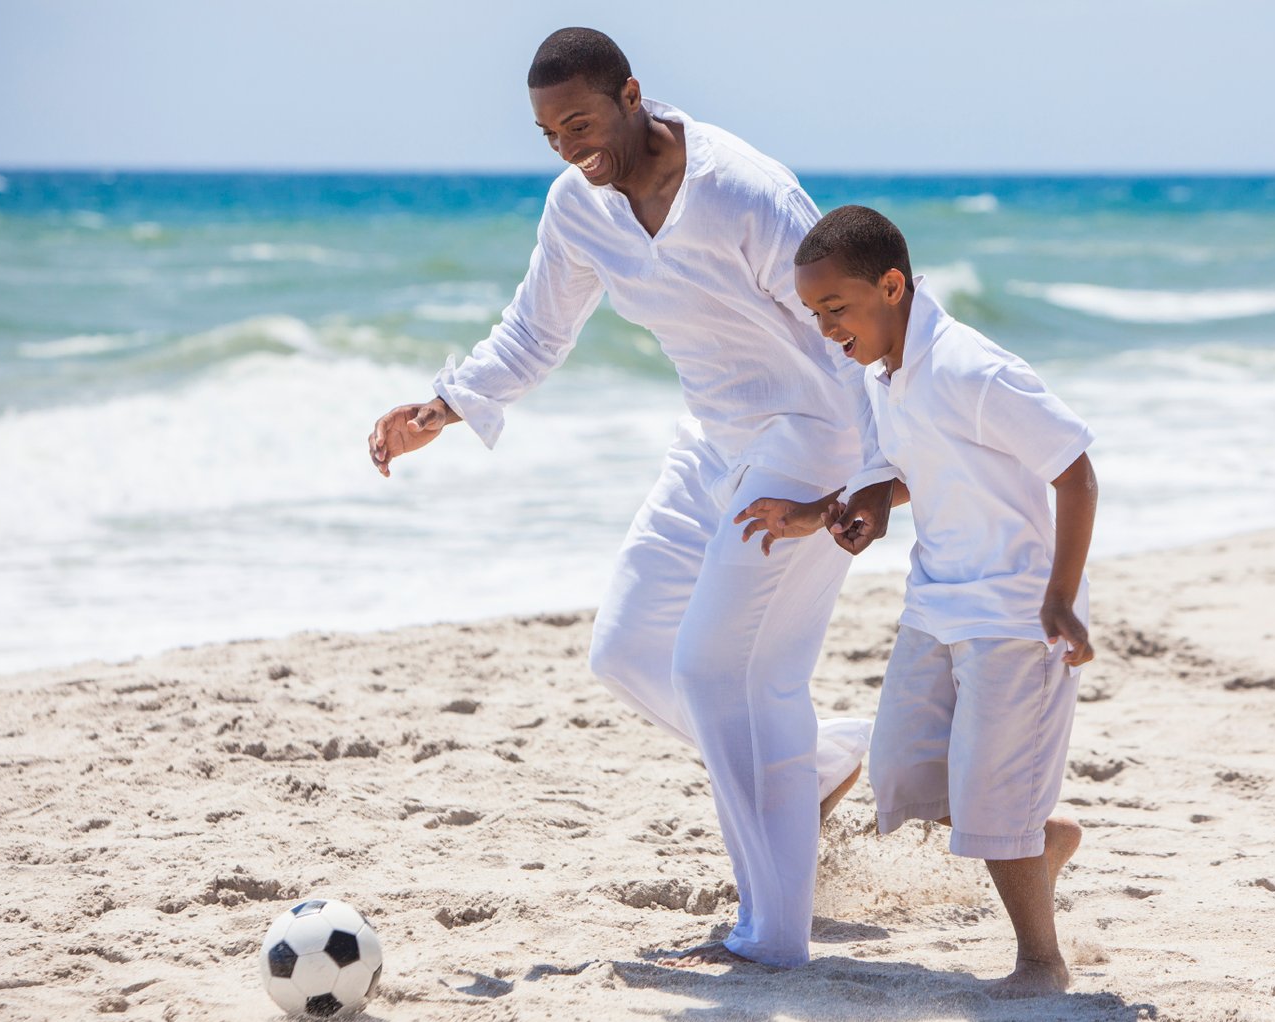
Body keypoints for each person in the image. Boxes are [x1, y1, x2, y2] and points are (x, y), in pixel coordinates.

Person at [366, 29, 891, 969]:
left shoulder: (742, 190)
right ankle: (814, 767)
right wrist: (444, 405)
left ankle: (773, 933)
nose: (570, 147)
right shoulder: (580, 208)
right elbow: (536, 328)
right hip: (712, 438)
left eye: (580, 121)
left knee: (723, 673)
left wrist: (878, 474)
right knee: (629, 649)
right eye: (548, 133)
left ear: (632, 95)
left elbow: (846, 324)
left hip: (810, 438)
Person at [735, 205, 1097, 996]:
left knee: (989, 797)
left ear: (891, 286)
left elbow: (1073, 468)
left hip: (1014, 613)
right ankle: (1041, 842)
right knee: (904, 770)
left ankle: (1041, 961)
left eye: (837, 307)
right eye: (815, 313)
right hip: (935, 602)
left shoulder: (973, 369)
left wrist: (1062, 597)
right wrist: (822, 513)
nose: (827, 327)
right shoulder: (883, 373)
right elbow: (911, 466)